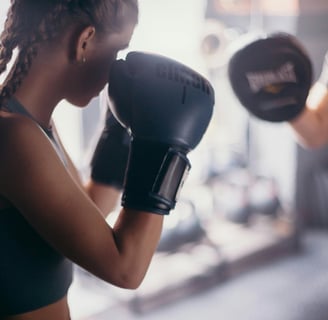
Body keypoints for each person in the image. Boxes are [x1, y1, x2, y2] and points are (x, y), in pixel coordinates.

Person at [0, 1, 215, 319]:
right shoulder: (14, 136)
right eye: (118, 50)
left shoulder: (32, 125)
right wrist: (165, 146)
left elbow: (90, 212)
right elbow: (126, 267)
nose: (116, 68)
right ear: (84, 40)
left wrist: (121, 132)